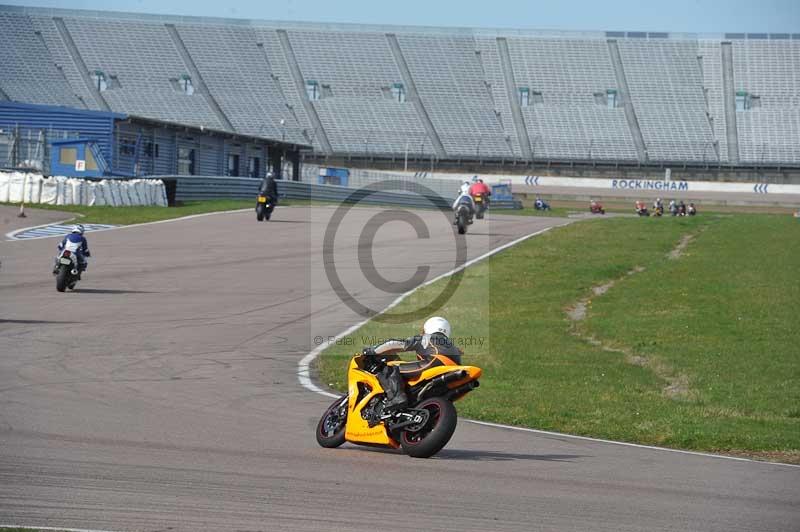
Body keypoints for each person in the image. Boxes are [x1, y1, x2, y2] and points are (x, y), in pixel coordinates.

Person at [361, 317, 462, 411]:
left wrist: (372, 350)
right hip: (452, 370)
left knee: (389, 368)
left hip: (434, 363)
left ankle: (396, 398)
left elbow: (395, 343)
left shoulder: (427, 338)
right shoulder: (452, 346)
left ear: (428, 328)